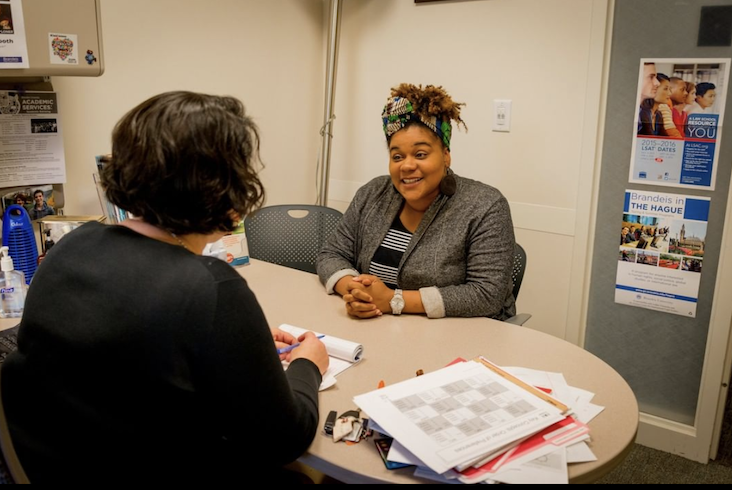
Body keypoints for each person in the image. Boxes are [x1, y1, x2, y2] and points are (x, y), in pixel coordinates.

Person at [0, 91, 329, 483]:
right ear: (221, 185)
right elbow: (284, 440)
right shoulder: (211, 286)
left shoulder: (70, 247)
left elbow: (135, 352)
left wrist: (236, 342)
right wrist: (309, 363)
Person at [316, 83, 516, 320]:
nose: (407, 165)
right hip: (377, 329)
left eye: (420, 154)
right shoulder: (371, 194)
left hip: (460, 340)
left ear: (445, 155)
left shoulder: (485, 206)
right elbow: (331, 254)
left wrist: (394, 301)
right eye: (397, 156)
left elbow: (486, 295)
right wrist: (354, 289)